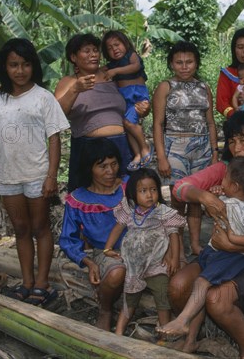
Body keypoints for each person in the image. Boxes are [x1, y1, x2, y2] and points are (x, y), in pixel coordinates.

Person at [168, 111, 244, 358]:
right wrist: (204, 196)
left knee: (216, 299)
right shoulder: (227, 170)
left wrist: (233, 244)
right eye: (232, 141)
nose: (237, 148)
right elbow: (180, 188)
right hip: (219, 252)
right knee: (178, 286)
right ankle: (193, 336)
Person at [0, 38, 69, 306]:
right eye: (14, 65)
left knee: (40, 227)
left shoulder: (43, 97)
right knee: (20, 229)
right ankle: (27, 281)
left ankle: (42, 283)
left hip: (38, 175)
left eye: (26, 64)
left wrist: (51, 176)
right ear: (4, 68)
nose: (20, 70)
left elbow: (54, 139)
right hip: (8, 176)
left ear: (34, 67)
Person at [157, 156, 244, 338]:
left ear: (235, 186)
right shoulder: (232, 199)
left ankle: (182, 320)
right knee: (198, 288)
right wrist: (217, 195)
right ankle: (190, 340)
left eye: (225, 178)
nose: (221, 180)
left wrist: (233, 239)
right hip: (216, 250)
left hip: (233, 255)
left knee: (202, 283)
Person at [54, 33, 150, 192]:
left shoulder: (112, 76)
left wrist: (144, 110)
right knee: (90, 202)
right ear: (73, 57)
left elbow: (133, 104)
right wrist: (75, 90)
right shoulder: (68, 82)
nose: (93, 55)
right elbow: (57, 114)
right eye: (86, 51)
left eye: (95, 50)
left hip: (122, 148)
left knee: (124, 200)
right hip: (88, 151)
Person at [153, 41, 219, 256]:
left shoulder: (204, 87)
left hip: (201, 148)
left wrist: (214, 153)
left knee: (196, 199)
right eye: (179, 62)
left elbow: (210, 122)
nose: (184, 66)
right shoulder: (166, 86)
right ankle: (177, 247)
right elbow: (158, 124)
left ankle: (196, 244)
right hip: (175, 146)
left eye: (189, 62)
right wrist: (161, 156)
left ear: (196, 63)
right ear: (171, 64)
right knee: (177, 198)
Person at [59, 139, 128, 331]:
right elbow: (67, 239)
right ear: (89, 168)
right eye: (102, 166)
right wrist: (88, 262)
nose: (110, 171)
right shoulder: (77, 200)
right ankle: (105, 310)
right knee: (116, 273)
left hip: (141, 245)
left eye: (114, 164)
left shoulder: (129, 187)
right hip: (106, 252)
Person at [104, 168, 183, 335]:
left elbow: (174, 235)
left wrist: (175, 258)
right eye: (143, 191)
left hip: (156, 264)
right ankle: (119, 331)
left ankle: (164, 331)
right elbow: (118, 228)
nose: (149, 195)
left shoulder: (163, 212)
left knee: (162, 295)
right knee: (130, 299)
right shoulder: (129, 211)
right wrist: (108, 248)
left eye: (153, 190)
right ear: (133, 193)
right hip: (133, 266)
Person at [102, 30, 153, 171]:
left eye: (117, 44)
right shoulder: (111, 65)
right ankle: (137, 154)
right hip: (125, 101)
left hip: (138, 98)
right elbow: (100, 71)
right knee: (127, 126)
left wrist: (116, 71)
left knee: (128, 123)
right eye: (110, 48)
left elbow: (135, 66)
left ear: (125, 44)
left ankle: (144, 147)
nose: (114, 49)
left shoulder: (132, 56)